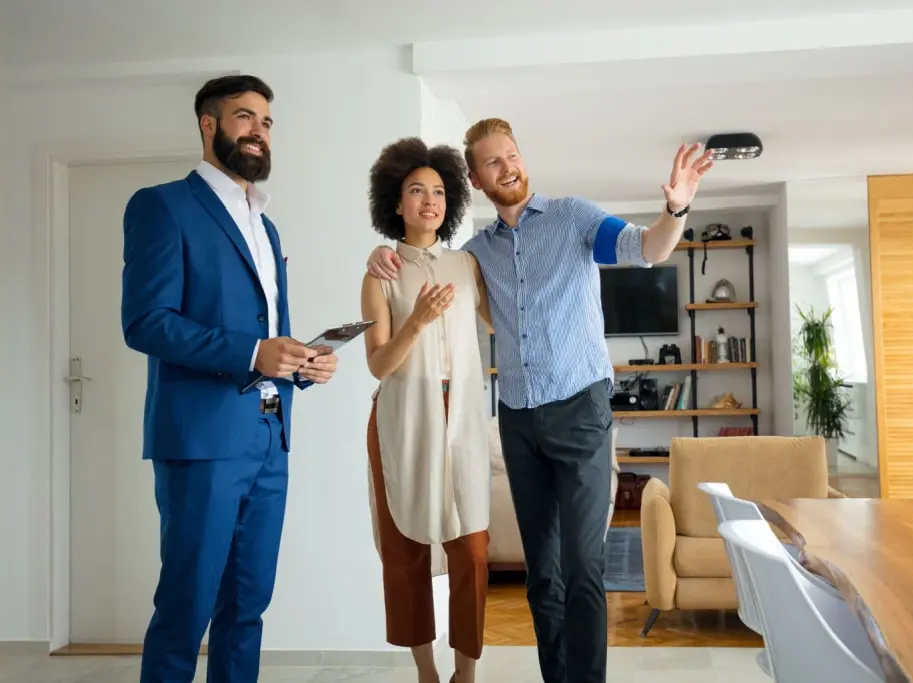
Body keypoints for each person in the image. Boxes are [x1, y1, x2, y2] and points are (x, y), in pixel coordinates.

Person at [366, 118, 713, 683]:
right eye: (493, 162)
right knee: (542, 575)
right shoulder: (476, 255)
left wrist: (675, 210)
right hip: (519, 420)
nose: (508, 167)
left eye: (512, 155)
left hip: (580, 410)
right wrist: (380, 259)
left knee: (583, 568)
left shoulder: (573, 217)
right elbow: (421, 276)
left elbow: (647, 248)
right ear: (476, 180)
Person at [120, 74, 338, 683]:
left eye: (266, 122)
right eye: (245, 117)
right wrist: (251, 353)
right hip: (202, 442)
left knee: (247, 607)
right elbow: (146, 322)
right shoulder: (162, 206)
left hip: (270, 439)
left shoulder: (266, 226)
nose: (259, 132)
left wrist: (304, 363)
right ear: (209, 124)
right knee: (185, 607)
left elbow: (270, 333)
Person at [360, 137, 492, 683]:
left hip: (462, 414)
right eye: (416, 191)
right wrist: (414, 321)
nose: (429, 201)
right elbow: (378, 364)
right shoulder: (381, 273)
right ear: (396, 203)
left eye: (438, 192)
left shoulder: (467, 265)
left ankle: (466, 673)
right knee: (405, 550)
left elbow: (502, 322)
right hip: (402, 417)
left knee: (472, 548)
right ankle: (426, 673)